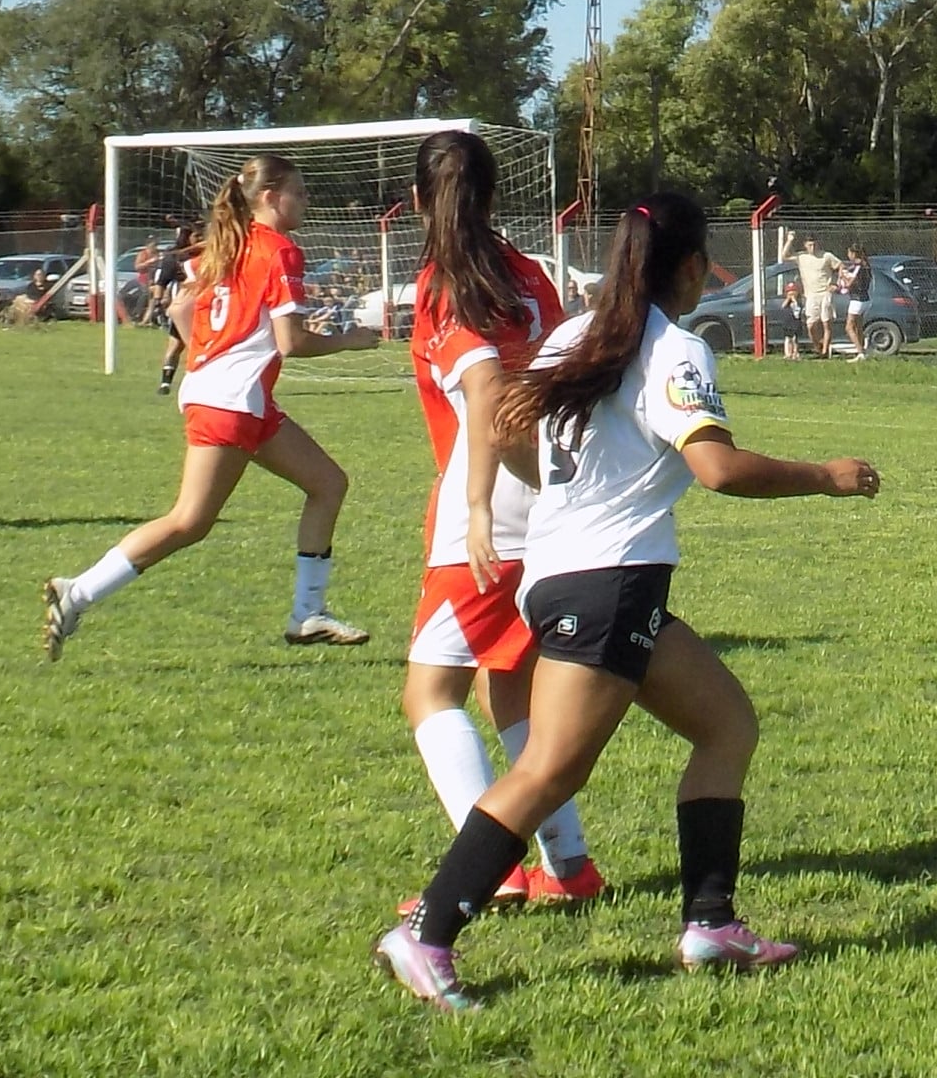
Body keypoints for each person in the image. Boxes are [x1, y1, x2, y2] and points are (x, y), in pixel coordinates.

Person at [374, 192, 882, 1012]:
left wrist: (568, 496)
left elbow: (501, 428)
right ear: (688, 268)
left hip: (569, 573)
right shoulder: (674, 347)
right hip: (607, 584)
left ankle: (711, 923)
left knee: (727, 726)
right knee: (548, 769)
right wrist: (825, 476)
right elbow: (715, 469)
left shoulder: (573, 334)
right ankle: (425, 934)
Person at [43, 154, 382, 660]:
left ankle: (307, 614)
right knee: (190, 521)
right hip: (230, 401)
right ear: (271, 197)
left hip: (234, 396)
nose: (307, 202)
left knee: (328, 482)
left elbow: (180, 306)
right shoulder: (280, 251)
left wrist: (206, 355)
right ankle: (79, 592)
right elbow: (291, 342)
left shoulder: (227, 245)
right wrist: (351, 340)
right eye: (301, 193)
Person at [398, 128, 604, 912]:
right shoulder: (527, 273)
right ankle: (571, 865)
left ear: (418, 200)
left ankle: (491, 870)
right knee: (509, 686)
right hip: (546, 488)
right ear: (493, 198)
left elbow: (485, 392)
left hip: (484, 502)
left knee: (430, 693)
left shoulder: (443, 281)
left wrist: (479, 508)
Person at [781, 234, 843, 358]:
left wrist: (836, 283)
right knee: (811, 325)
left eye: (814, 244)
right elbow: (784, 256)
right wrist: (789, 240)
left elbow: (840, 265)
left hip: (825, 293)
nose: (812, 247)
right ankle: (818, 347)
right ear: (805, 245)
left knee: (826, 323)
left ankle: (825, 351)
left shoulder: (826, 256)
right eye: (809, 245)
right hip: (811, 295)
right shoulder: (801, 257)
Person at [151, 226, 195, 393]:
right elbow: (161, 282)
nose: (199, 239)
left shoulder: (208, 254)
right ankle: (165, 383)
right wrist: (157, 305)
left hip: (207, 309)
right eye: (196, 235)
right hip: (185, 310)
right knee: (176, 345)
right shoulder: (175, 258)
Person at [841, 245, 873, 362]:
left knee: (849, 327)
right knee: (858, 326)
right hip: (866, 299)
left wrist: (842, 276)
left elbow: (850, 283)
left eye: (849, 253)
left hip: (857, 300)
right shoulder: (866, 265)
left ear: (854, 253)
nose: (848, 255)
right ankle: (863, 351)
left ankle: (860, 352)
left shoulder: (858, 267)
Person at [781, 281, 803, 359]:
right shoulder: (786, 303)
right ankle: (788, 353)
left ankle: (795, 352)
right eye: (789, 293)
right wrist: (788, 299)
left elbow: (798, 309)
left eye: (793, 293)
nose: (791, 295)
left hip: (795, 323)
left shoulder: (798, 302)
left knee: (795, 339)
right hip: (787, 323)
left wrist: (794, 300)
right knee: (788, 339)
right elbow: (783, 306)